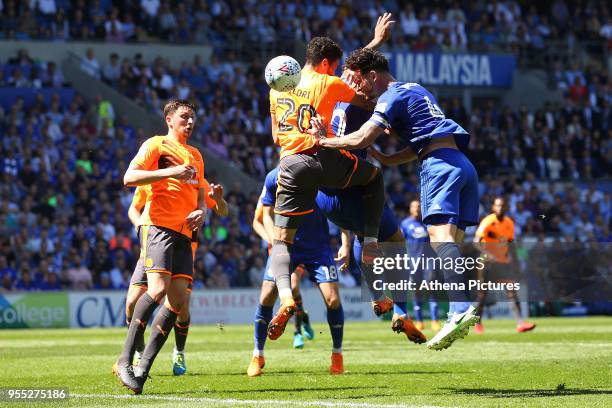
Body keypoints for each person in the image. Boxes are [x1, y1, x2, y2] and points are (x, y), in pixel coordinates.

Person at [312, 47, 480, 350]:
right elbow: (425, 137)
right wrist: (388, 161)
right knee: (450, 242)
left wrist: (324, 140)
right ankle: (458, 308)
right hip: (462, 164)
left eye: (361, 81)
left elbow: (362, 138)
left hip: (439, 166)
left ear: (373, 76)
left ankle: (459, 309)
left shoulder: (390, 97)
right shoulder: (416, 87)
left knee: (440, 239)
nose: (359, 88)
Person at [267, 14, 395, 341]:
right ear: (326, 64)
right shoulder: (328, 84)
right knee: (374, 177)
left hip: (290, 165)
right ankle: (368, 242)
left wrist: (373, 43)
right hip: (322, 157)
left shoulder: (276, 91)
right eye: (334, 66)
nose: (339, 72)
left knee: (281, 243)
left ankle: (286, 298)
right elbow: (362, 90)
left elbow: (275, 138)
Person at [114, 99, 214, 394]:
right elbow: (129, 177)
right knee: (155, 290)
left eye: (193, 117)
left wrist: (202, 211)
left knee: (178, 301)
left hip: (185, 233)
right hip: (158, 226)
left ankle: (143, 368)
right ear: (169, 119)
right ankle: (124, 360)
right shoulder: (156, 145)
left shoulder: (196, 155)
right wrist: (170, 173)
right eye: (184, 117)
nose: (190, 122)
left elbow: (198, 196)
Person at [123, 178, 227, 376]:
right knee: (131, 302)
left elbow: (222, 211)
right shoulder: (154, 177)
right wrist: (141, 228)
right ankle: (138, 351)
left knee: (182, 306)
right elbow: (133, 209)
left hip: (183, 253)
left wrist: (219, 201)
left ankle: (179, 352)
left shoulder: (198, 182)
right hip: (152, 248)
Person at [248, 168, 346, 376]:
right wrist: (272, 240)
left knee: (333, 300)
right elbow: (264, 214)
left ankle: (337, 354)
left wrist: (345, 243)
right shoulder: (275, 176)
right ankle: (258, 354)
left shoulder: (324, 175)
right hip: (285, 246)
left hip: (318, 249)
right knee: (267, 296)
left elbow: (339, 211)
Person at [251, 186, 315, 350]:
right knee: (272, 296)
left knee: (293, 286)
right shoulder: (270, 189)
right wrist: (270, 239)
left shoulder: (299, 187)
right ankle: (303, 316)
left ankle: (297, 332)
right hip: (277, 251)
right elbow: (256, 222)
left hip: (298, 247)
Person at [473, 196, 536, 334]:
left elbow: (511, 245)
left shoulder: (509, 223)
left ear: (506, 208)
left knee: (511, 291)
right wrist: (487, 254)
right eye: (498, 206)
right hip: (486, 262)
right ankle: (477, 323)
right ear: (493, 208)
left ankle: (520, 323)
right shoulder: (488, 221)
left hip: (502, 262)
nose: (500, 208)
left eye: (502, 206)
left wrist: (517, 265)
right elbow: (476, 242)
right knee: (482, 294)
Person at [400, 199, 441, 332]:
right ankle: (419, 321)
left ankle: (435, 320)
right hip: (413, 262)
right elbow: (400, 242)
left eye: (419, 207)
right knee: (416, 291)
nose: (417, 209)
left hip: (428, 260)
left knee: (430, 287)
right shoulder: (405, 224)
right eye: (414, 207)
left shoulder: (427, 223)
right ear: (410, 209)